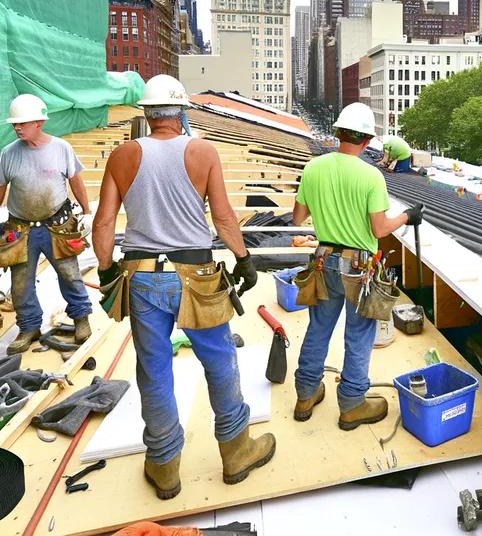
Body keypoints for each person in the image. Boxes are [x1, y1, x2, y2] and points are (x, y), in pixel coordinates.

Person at [92, 75, 273, 500]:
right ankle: (235, 451)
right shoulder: (202, 151)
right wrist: (244, 260)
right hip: (196, 276)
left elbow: (103, 222)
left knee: (154, 370)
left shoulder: (122, 155)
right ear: (181, 112)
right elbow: (224, 217)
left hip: (141, 278)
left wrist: (105, 273)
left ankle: (164, 465)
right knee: (220, 360)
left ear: (147, 113)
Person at [291, 102, 423, 429]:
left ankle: (305, 394)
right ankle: (351, 404)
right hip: (358, 267)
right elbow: (379, 229)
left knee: (318, 328)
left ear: (337, 133)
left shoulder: (314, 168)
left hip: (322, 260)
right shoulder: (370, 176)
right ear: (366, 140)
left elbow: (298, 218)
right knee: (359, 335)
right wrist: (407, 216)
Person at [0, 94, 92, 354]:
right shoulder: (8, 154)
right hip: (21, 228)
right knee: (20, 283)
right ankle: (29, 327)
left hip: (57, 224)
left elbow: (75, 180)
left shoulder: (60, 148)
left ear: (39, 122)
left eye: (22, 123)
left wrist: (86, 210)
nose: (17, 128)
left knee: (69, 274)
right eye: (14, 124)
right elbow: (1, 187)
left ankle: (81, 318)